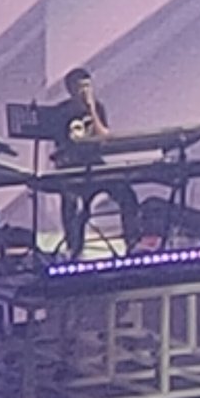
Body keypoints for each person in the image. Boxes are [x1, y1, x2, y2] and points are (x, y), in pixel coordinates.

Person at [48, 67, 147, 258]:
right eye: (80, 87)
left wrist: (91, 109)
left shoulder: (98, 108)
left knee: (125, 192)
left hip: (95, 165)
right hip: (72, 168)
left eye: (88, 86)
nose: (84, 91)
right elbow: (59, 144)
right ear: (70, 89)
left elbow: (104, 137)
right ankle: (73, 247)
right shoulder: (61, 112)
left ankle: (132, 241)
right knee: (70, 200)